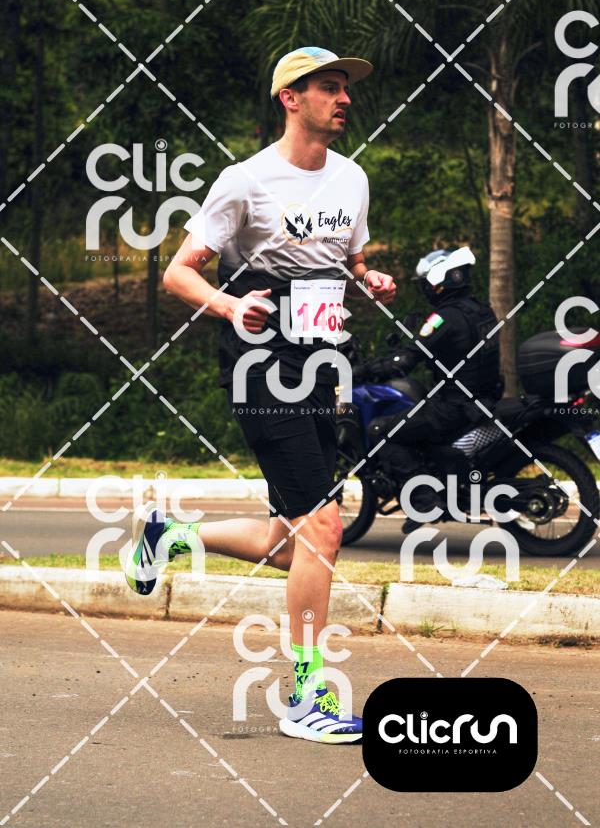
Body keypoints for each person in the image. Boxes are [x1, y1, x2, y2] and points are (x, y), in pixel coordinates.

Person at [124, 46, 396, 743]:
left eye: (345, 88)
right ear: (290, 99)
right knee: (324, 528)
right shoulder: (245, 181)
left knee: (288, 542)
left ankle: (169, 533)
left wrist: (368, 279)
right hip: (261, 367)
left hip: (323, 366)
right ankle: (307, 696)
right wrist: (227, 304)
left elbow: (348, 257)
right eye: (329, 87)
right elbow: (180, 272)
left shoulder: (353, 179)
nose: (344, 98)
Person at [361, 247, 502, 533]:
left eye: (427, 283)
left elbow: (407, 358)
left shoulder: (444, 318)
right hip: (484, 399)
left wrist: (365, 370)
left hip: (454, 407)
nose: (426, 288)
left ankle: (424, 500)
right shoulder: (482, 310)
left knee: (380, 431)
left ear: (439, 281)